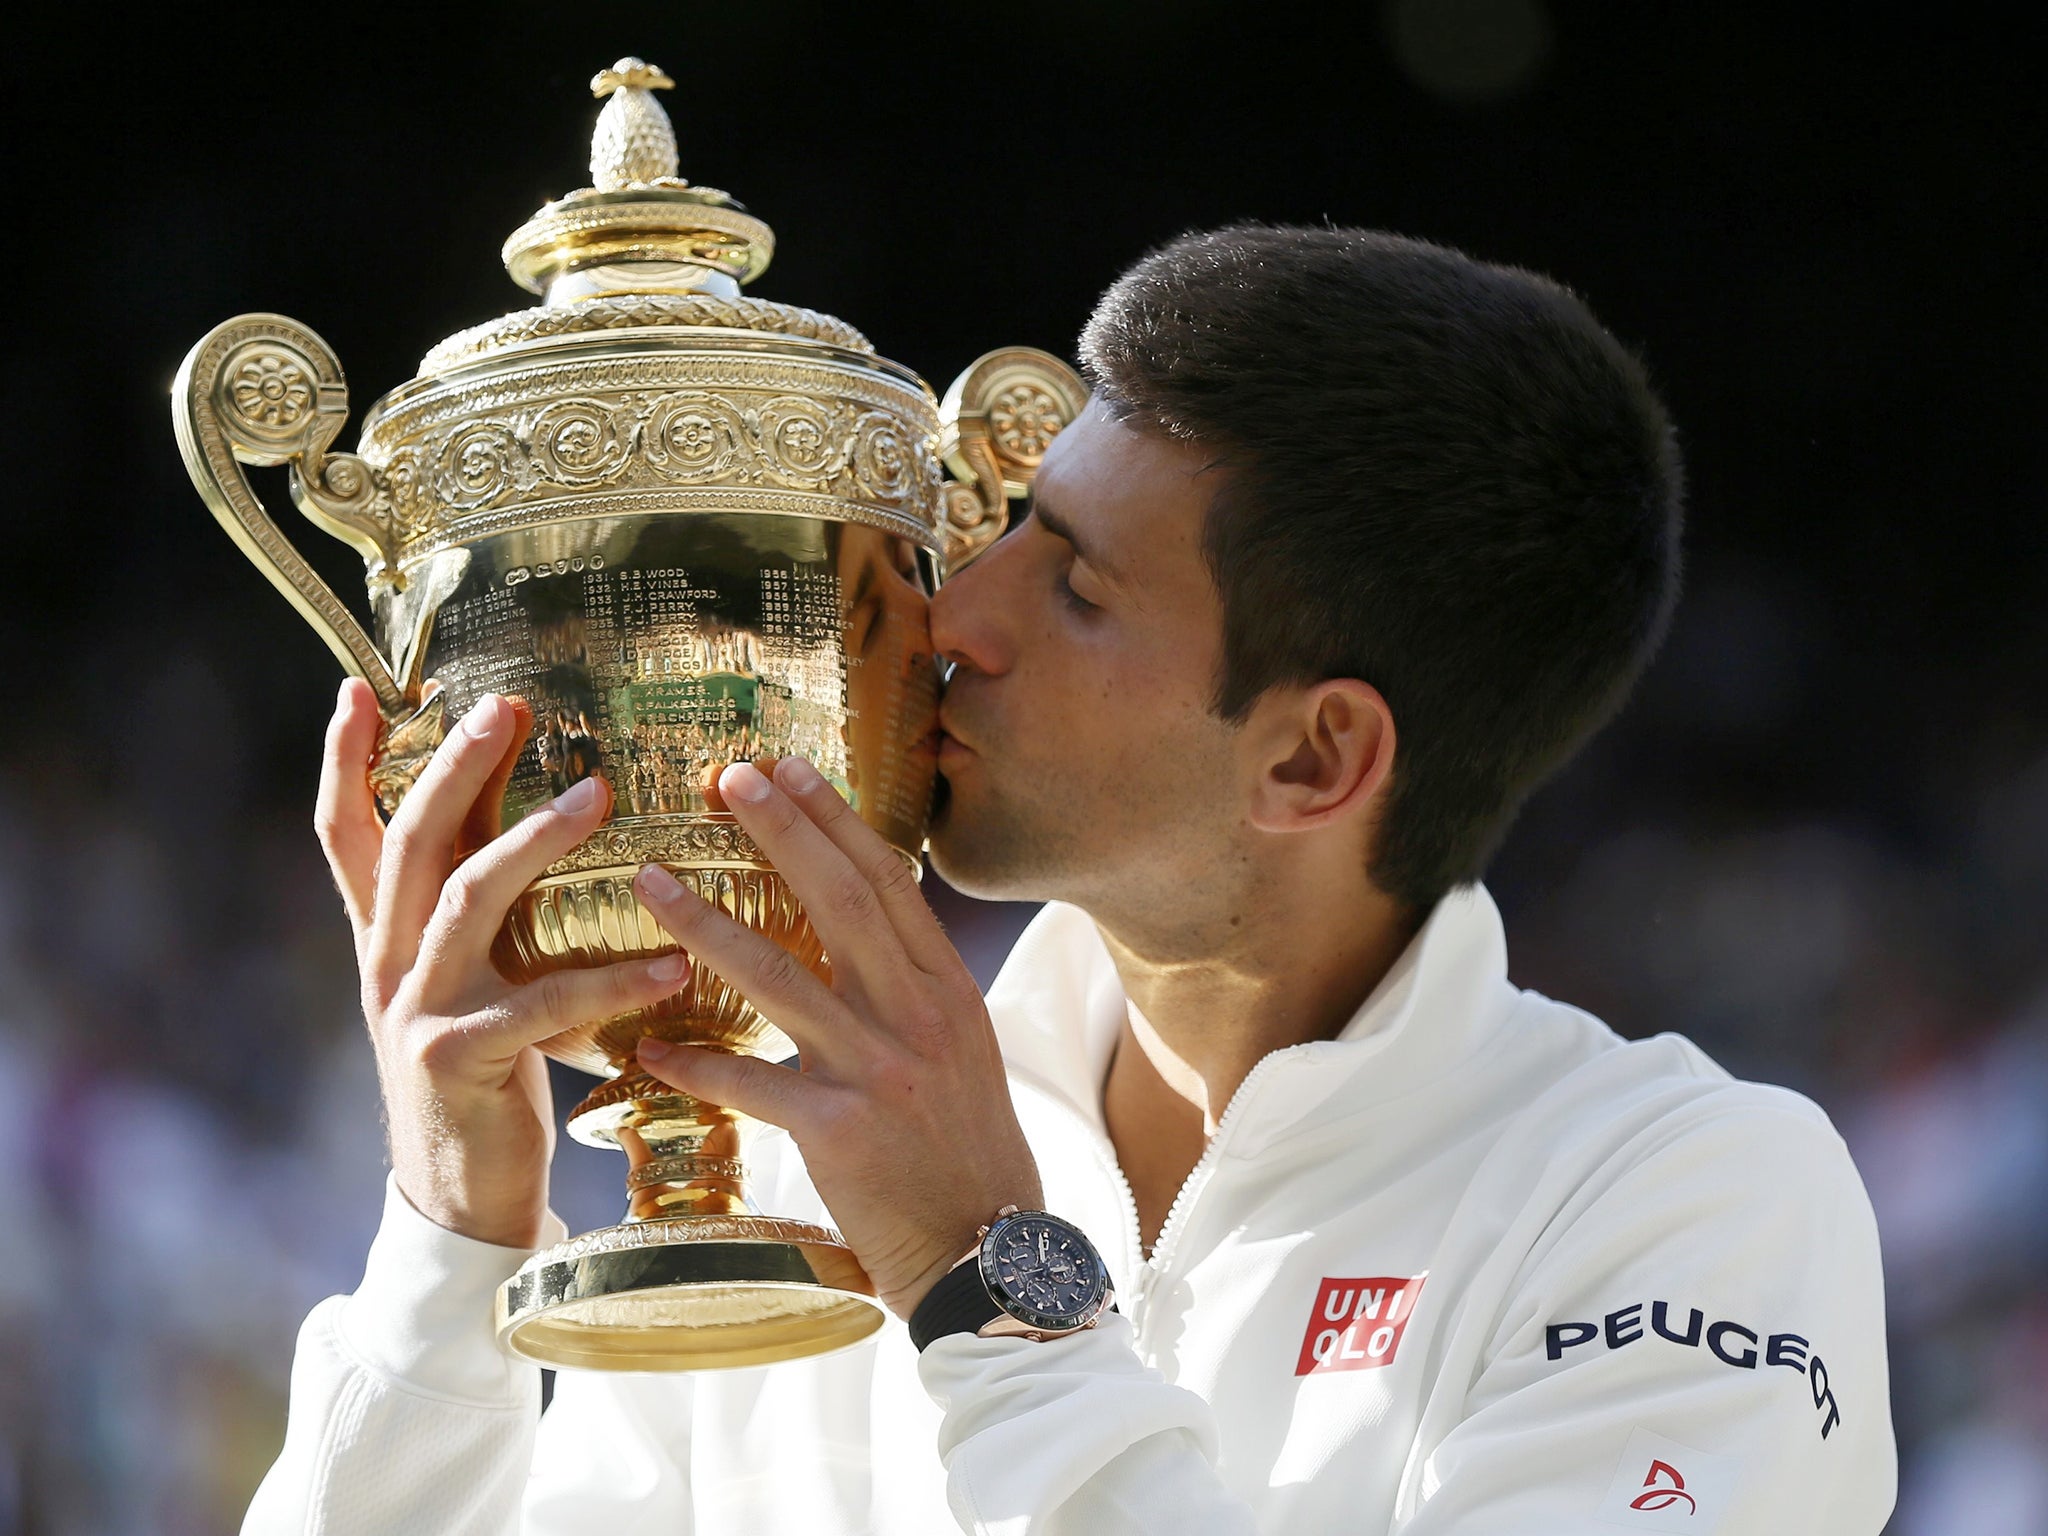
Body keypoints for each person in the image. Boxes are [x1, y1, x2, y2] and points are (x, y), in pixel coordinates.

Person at [243, 225, 1894, 1534]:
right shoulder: (811, 1157)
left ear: (1316, 759)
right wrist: (450, 1248)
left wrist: (990, 1287)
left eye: (1081, 589)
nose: (959, 616)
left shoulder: (1687, 1204)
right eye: (1019, 519)